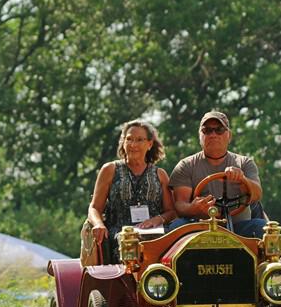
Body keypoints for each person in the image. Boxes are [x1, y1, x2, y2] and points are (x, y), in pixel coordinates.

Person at [88, 120, 177, 263]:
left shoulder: (160, 174)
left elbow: (172, 212)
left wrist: (157, 219)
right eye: (129, 139)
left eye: (139, 140)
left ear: (149, 144)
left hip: (156, 232)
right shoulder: (109, 170)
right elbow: (94, 207)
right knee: (129, 242)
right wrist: (98, 224)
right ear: (123, 142)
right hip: (120, 233)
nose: (133, 145)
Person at [167, 110, 266, 238]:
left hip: (239, 226)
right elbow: (180, 205)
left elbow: (257, 195)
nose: (213, 135)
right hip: (200, 228)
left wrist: (242, 180)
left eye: (219, 130)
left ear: (229, 136)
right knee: (176, 227)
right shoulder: (186, 166)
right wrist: (193, 208)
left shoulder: (244, 163)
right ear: (200, 136)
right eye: (207, 130)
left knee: (262, 228)